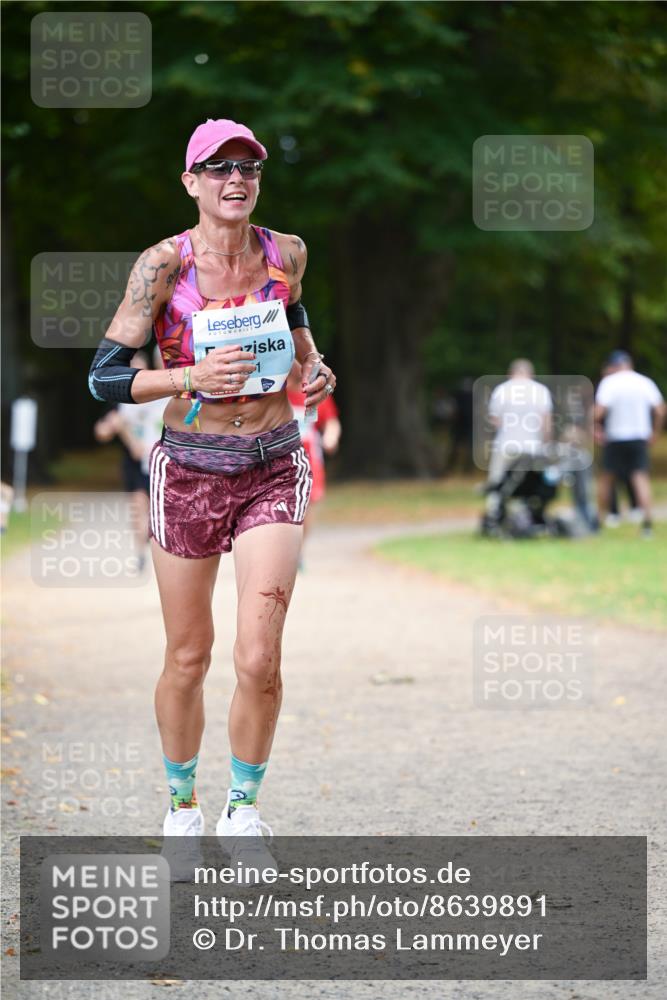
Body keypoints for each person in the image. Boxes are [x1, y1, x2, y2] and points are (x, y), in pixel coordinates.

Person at [88, 118, 336, 877]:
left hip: (271, 459)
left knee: (259, 656)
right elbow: (103, 376)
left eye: (249, 168)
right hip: (190, 467)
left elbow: (292, 323)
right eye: (219, 168)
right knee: (189, 654)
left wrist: (315, 366)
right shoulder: (163, 266)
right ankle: (181, 807)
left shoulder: (284, 252)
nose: (237, 179)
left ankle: (244, 811)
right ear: (191, 180)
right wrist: (191, 377)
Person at [93, 350, 165, 569]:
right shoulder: (120, 397)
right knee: (138, 507)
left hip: (159, 459)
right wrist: (125, 434)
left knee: (157, 511)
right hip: (135, 461)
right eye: (131, 368)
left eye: (140, 367)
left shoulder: (159, 392)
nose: (136, 372)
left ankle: (155, 541)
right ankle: (141, 553)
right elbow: (103, 430)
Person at [594, 350, 665, 538]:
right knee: (640, 478)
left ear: (613, 366)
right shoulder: (644, 382)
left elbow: (598, 412)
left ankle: (598, 523)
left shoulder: (609, 383)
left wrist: (596, 429)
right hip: (638, 437)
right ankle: (647, 524)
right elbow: (660, 409)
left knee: (607, 480)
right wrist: (654, 432)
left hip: (615, 437)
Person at [483, 359, 553, 526]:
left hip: (506, 443)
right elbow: (546, 422)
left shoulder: (501, 390)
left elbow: (495, 420)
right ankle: (525, 513)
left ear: (510, 373)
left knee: (498, 479)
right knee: (528, 481)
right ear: (531, 374)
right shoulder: (541, 390)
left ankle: (494, 513)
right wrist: (546, 444)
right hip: (531, 445)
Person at [286, 360, 341, 564]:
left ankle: (298, 550)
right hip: (281, 457)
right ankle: (283, 550)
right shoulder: (274, 394)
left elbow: (331, 422)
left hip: (309, 459)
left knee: (308, 505)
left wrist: (331, 437)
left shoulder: (313, 392)